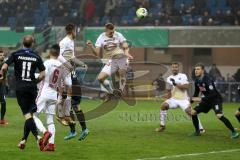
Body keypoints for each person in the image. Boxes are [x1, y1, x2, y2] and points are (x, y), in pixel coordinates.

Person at [0, 35, 51, 149]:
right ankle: (23, 140)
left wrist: (2, 76)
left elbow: (3, 67)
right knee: (30, 115)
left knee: (27, 116)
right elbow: (43, 74)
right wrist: (35, 81)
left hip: (21, 88)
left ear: (23, 42)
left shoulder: (16, 54)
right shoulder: (36, 56)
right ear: (32, 44)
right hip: (32, 88)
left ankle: (40, 137)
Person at [190, 63, 239, 139]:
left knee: (219, 115)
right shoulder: (197, 81)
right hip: (206, 101)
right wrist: (190, 101)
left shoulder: (208, 79)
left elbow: (213, 94)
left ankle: (234, 132)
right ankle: (197, 131)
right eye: (195, 69)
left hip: (215, 100)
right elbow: (196, 93)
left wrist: (200, 99)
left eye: (198, 69)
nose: (196, 71)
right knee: (193, 112)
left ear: (202, 70)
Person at [86, 23, 133, 99]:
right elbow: (96, 53)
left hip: (121, 57)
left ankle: (120, 90)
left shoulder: (118, 35)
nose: (113, 33)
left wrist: (127, 52)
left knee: (121, 73)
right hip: (111, 60)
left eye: (113, 31)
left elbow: (125, 46)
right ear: (106, 30)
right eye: (111, 32)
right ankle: (112, 92)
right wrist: (91, 46)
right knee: (100, 78)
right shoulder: (101, 37)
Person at [155, 62, 204, 133]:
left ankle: (201, 128)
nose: (174, 68)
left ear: (178, 68)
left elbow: (186, 87)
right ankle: (162, 126)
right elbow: (169, 91)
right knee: (163, 105)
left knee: (190, 112)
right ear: (171, 68)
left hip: (183, 99)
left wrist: (175, 84)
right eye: (173, 67)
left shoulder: (183, 76)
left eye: (176, 67)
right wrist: (164, 98)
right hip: (174, 99)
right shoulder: (169, 78)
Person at [33, 44, 63, 151]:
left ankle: (45, 133)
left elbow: (42, 76)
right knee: (50, 120)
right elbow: (62, 84)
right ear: (59, 53)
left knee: (32, 115)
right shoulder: (62, 65)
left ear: (50, 53)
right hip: (54, 95)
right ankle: (51, 145)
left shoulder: (47, 62)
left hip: (44, 92)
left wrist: (33, 81)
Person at [64, 66, 89, 141]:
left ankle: (73, 131)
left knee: (68, 109)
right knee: (76, 107)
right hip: (77, 87)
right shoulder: (70, 64)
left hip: (71, 88)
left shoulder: (62, 66)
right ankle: (84, 129)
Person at [0, 50, 8, 125]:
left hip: (2, 86)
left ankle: (2, 119)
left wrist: (6, 84)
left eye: (3, 55)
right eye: (0, 55)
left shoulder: (5, 64)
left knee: (3, 103)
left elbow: (5, 76)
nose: (2, 56)